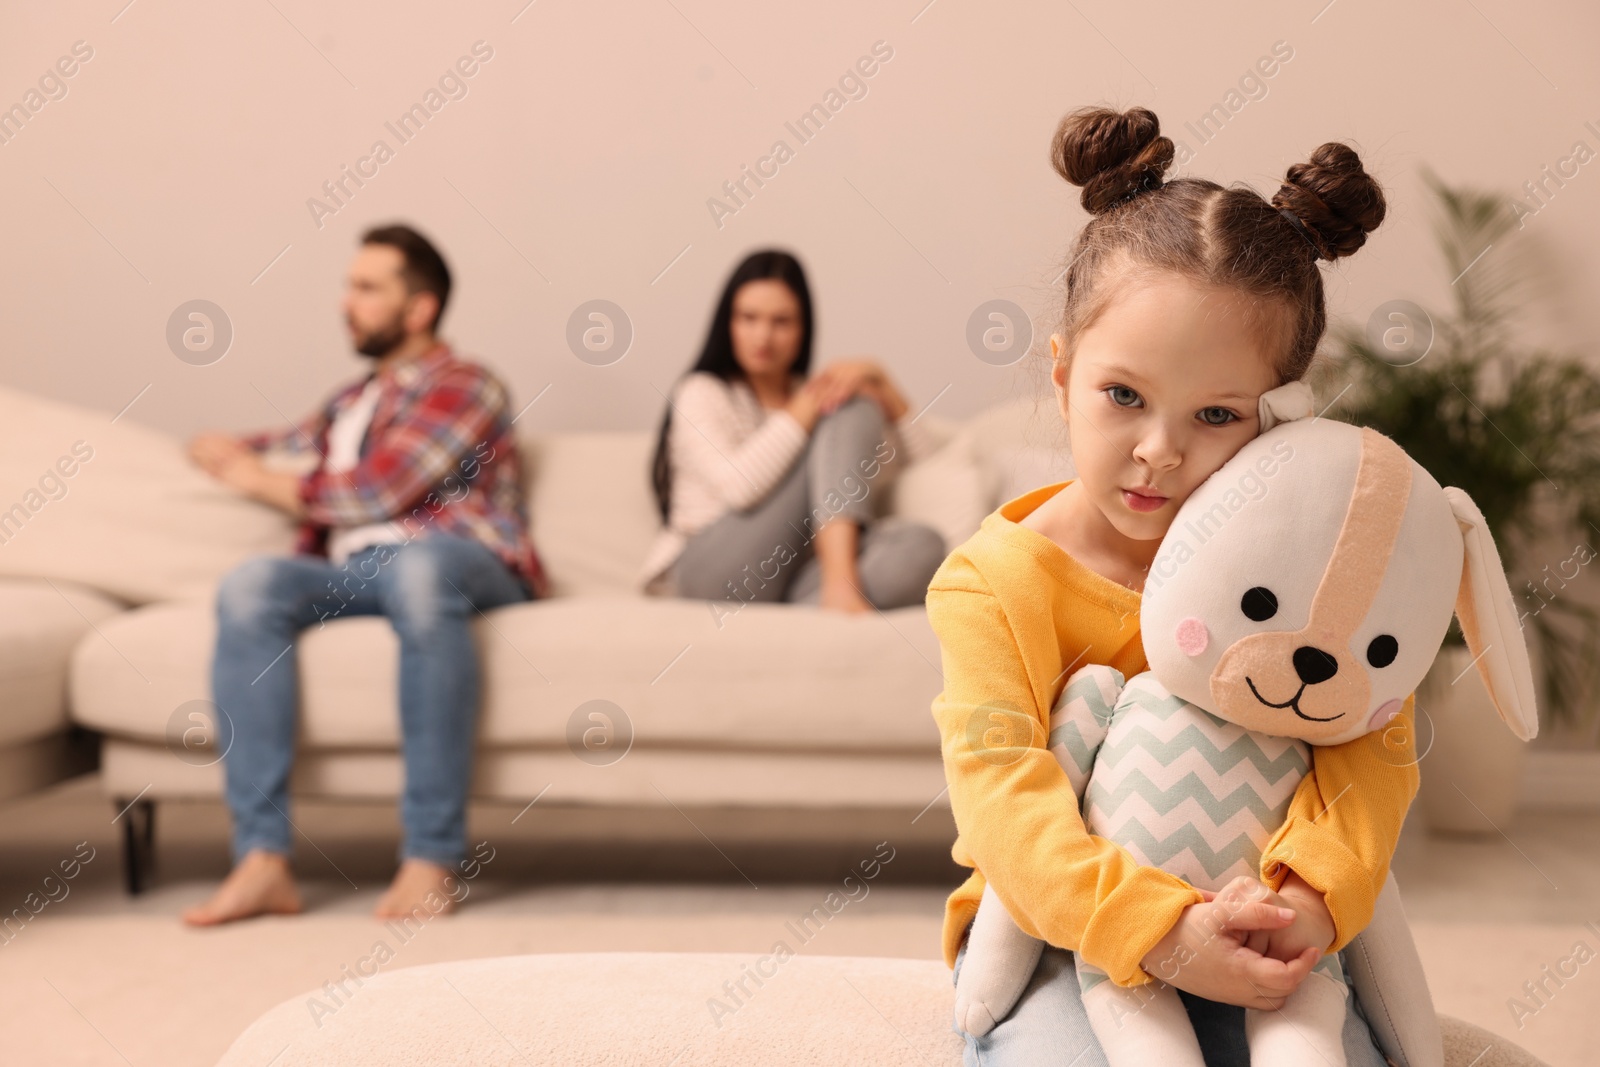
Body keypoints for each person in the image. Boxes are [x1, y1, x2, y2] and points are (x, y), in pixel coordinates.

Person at [931, 106, 1410, 1065]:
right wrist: (1161, 935)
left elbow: (1372, 743)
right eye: (1124, 396)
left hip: (1267, 925)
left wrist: (1311, 900)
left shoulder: (1307, 566)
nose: (1159, 450)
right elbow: (1006, 801)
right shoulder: (994, 580)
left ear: (1278, 418)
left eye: (1216, 413)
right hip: (1065, 936)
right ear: (1062, 373)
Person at [183, 224, 548, 925]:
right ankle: (262, 861)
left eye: (366, 288)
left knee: (416, 572)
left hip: (462, 560)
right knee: (250, 585)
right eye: (348, 286)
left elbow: (381, 489)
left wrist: (257, 476)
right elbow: (281, 446)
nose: (346, 302)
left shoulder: (467, 384)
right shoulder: (350, 402)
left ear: (421, 308)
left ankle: (430, 860)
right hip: (356, 570)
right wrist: (221, 449)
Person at [641, 249, 946, 614]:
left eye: (781, 322)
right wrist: (807, 406)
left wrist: (883, 384)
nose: (763, 337)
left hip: (787, 573)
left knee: (924, 547)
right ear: (728, 323)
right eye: (748, 318)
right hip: (712, 568)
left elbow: (927, 463)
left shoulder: (820, 400)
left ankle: (833, 591)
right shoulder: (701, 391)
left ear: (803, 329)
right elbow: (739, 488)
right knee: (849, 403)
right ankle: (841, 582)